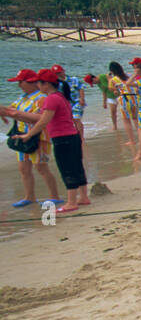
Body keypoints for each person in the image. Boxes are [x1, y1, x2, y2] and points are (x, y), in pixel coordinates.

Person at [19, 69, 89, 213]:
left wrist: (28, 135)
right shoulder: (61, 96)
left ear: (45, 84)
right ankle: (83, 197)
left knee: (67, 169)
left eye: (39, 83)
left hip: (62, 138)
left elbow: (43, 121)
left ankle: (71, 202)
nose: (37, 86)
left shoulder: (51, 98)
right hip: (72, 136)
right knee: (77, 167)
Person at [2, 68, 61, 207]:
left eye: (20, 82)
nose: (19, 85)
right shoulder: (23, 98)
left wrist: (17, 114)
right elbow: (10, 109)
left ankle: (55, 196)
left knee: (41, 167)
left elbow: (42, 119)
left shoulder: (41, 98)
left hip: (38, 138)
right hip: (22, 137)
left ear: (31, 82)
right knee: (24, 168)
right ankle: (29, 196)